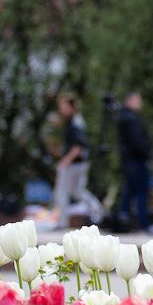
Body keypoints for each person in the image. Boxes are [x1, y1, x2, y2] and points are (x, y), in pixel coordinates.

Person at [53, 93, 102, 227]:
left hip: (74, 164)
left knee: (62, 192)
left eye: (63, 105)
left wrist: (66, 161)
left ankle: (62, 222)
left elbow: (78, 146)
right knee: (77, 192)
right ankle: (96, 209)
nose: (61, 108)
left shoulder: (75, 122)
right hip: (78, 163)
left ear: (71, 106)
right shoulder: (72, 121)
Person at [116, 91, 151, 230]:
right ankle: (142, 223)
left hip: (130, 160)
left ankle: (124, 221)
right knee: (141, 192)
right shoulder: (131, 119)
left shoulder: (124, 117)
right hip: (136, 160)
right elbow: (137, 142)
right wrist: (147, 155)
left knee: (129, 192)